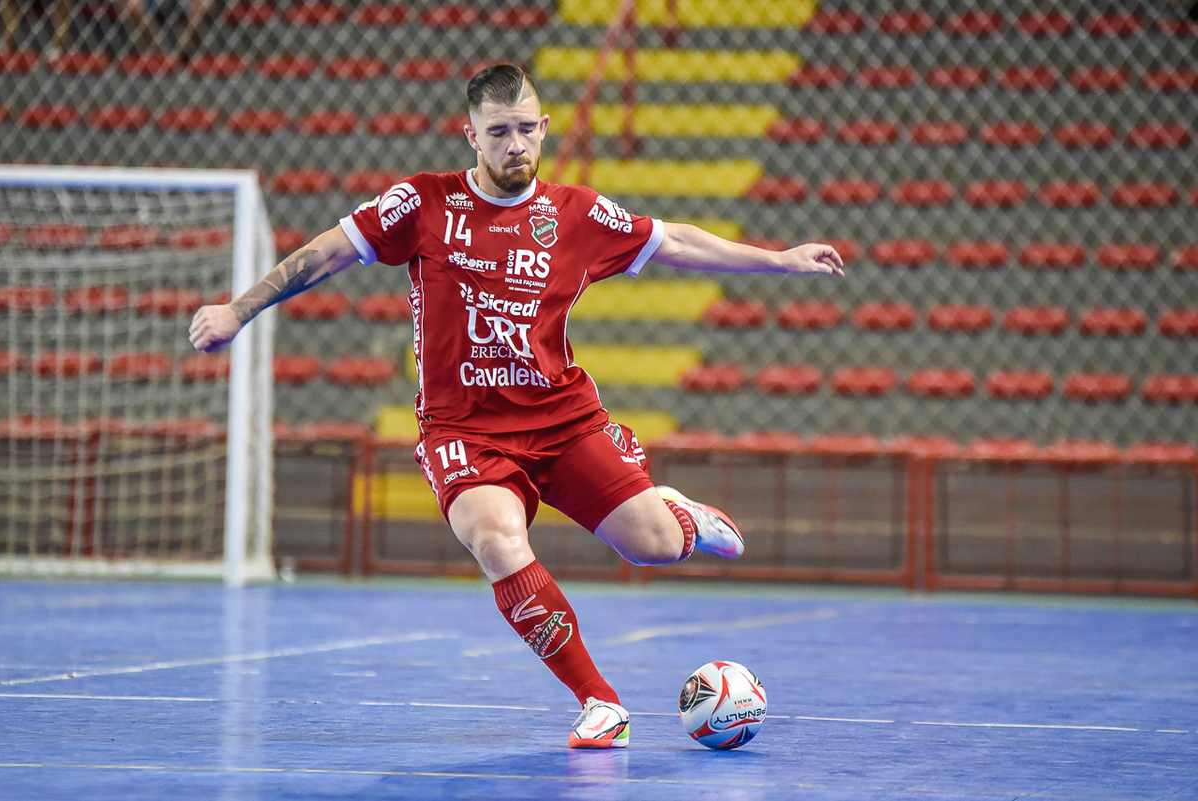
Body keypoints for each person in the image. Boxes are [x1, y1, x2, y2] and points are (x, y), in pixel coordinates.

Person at [189, 64, 843, 749]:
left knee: (651, 545)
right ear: (470, 135)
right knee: (495, 538)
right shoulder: (423, 204)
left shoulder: (577, 214)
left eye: (526, 129)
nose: (515, 144)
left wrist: (780, 260)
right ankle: (600, 702)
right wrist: (239, 309)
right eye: (498, 131)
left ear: (545, 127)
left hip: (563, 420)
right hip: (464, 430)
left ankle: (677, 515)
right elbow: (327, 252)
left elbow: (674, 240)